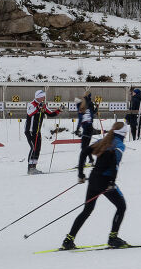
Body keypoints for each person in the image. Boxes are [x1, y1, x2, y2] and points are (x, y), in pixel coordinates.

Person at [60, 121, 130, 250]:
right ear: (124, 133)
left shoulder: (104, 141)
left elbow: (84, 152)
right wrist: (111, 183)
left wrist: (80, 174)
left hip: (93, 179)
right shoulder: (119, 145)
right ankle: (113, 238)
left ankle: (69, 239)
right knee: (121, 206)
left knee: (87, 210)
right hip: (105, 182)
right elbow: (114, 165)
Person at [25, 90, 62, 175]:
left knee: (37, 148)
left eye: (44, 96)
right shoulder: (31, 104)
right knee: (33, 147)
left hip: (37, 131)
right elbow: (30, 113)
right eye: (42, 96)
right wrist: (38, 108)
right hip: (30, 130)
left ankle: (34, 167)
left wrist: (59, 110)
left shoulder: (43, 106)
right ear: (38, 96)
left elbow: (51, 114)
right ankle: (30, 168)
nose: (44, 98)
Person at [75, 89, 98, 181]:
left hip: (86, 128)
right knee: (85, 147)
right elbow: (93, 114)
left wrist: (77, 129)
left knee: (84, 148)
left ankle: (86, 162)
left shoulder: (82, 105)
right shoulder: (90, 103)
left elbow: (81, 118)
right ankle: (91, 160)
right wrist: (97, 108)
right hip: (89, 128)